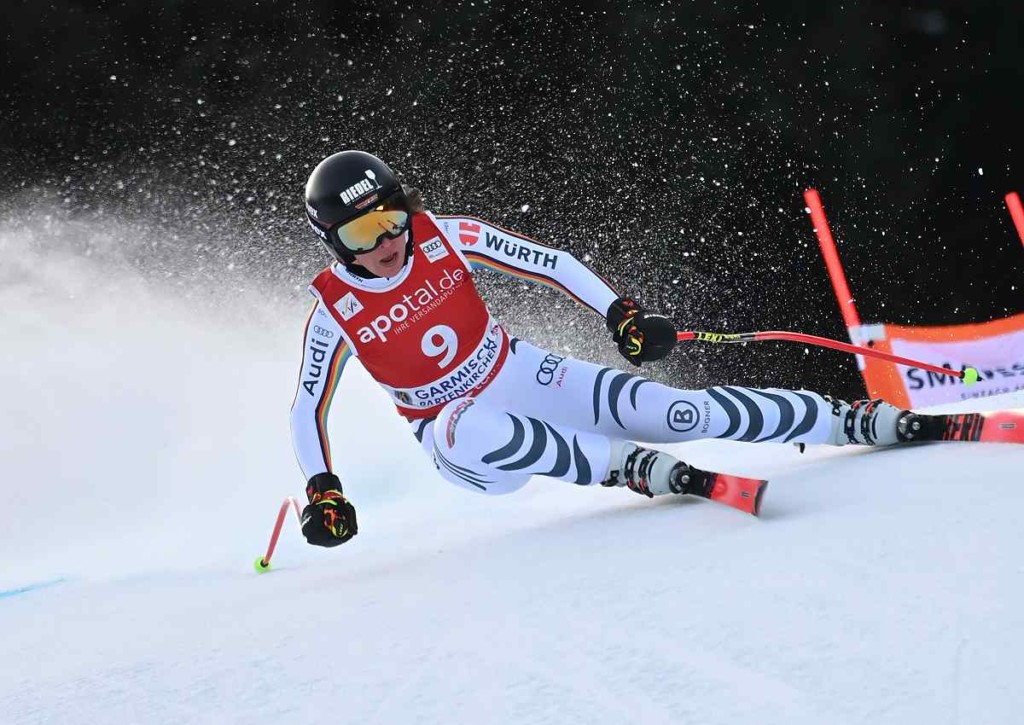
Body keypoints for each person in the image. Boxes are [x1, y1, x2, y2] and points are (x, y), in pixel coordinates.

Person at [290, 150, 918, 547]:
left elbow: (550, 263)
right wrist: (324, 489)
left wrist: (620, 314)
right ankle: (625, 466)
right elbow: (307, 408)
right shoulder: (333, 311)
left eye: (393, 217)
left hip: (517, 371)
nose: (388, 239)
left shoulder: (445, 236)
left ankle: (847, 418)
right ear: (334, 242)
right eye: (363, 231)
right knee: (472, 423)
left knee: (680, 413)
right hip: (457, 439)